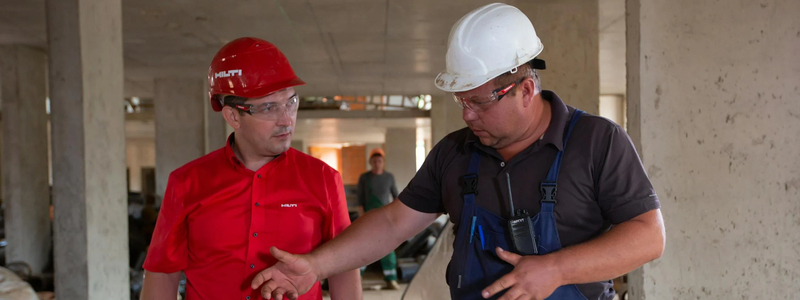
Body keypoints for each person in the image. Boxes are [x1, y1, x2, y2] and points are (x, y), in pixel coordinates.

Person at [250, 3, 665, 300]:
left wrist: (557, 269)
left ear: (524, 90)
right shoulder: (455, 153)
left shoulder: (596, 141)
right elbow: (394, 223)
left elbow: (649, 236)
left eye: (479, 103)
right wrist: (317, 266)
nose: (467, 115)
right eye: (460, 101)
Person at [140, 37, 361, 300]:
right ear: (233, 116)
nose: (286, 119)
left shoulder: (323, 179)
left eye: (291, 102)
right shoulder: (187, 183)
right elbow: (163, 272)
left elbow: (344, 268)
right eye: (269, 107)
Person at [356, 148, 400, 290]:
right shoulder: (364, 178)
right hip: (369, 217)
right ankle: (357, 279)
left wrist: (396, 216)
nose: (377, 163)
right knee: (363, 247)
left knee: (388, 248)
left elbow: (396, 197)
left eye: (379, 161)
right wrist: (361, 217)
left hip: (385, 217)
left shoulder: (389, 177)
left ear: (383, 163)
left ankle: (391, 279)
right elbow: (360, 200)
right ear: (370, 162)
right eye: (374, 161)